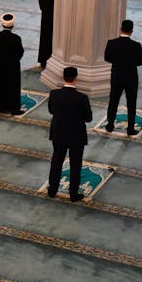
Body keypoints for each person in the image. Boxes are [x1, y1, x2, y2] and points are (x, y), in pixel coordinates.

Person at [46, 67, 93, 202]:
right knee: (75, 165)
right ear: (76, 78)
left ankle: (52, 190)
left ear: (63, 77)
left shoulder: (54, 94)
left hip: (59, 133)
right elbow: (88, 118)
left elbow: (51, 110)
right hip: (76, 135)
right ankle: (73, 194)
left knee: (56, 161)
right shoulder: (82, 98)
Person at [104, 19, 142, 135]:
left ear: (120, 29)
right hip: (131, 77)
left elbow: (107, 58)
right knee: (131, 103)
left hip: (116, 76)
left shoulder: (111, 43)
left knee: (113, 101)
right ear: (131, 31)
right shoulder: (136, 45)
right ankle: (130, 128)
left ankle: (110, 125)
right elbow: (141, 61)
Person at [0, 13, 24, 115]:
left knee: (0, 84)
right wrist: (14, 60)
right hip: (12, 66)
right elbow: (20, 52)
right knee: (13, 86)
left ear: (2, 24)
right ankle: (14, 108)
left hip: (0, 65)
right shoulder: (16, 38)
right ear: (12, 25)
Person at [38, 0, 56, 68]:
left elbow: (41, 7)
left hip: (45, 21)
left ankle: (43, 61)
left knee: (45, 39)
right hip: (56, 22)